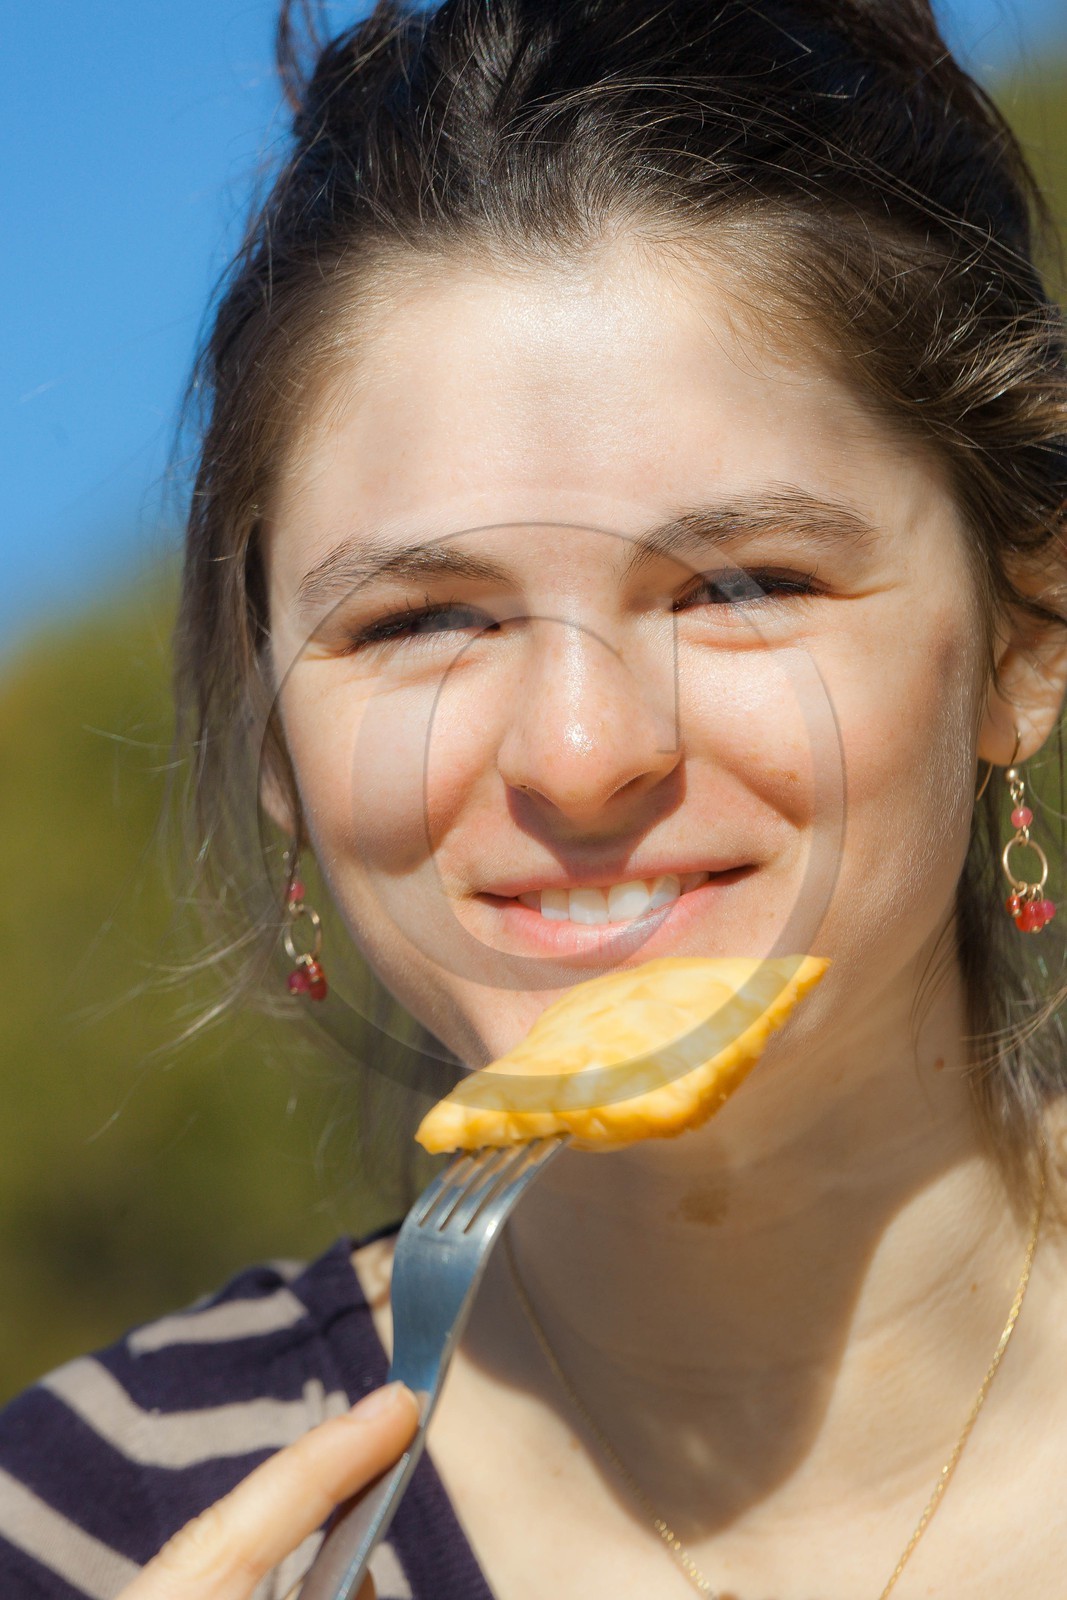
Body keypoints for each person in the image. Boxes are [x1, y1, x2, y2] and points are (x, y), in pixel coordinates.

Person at [3, 0, 1067, 1595]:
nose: (579, 755)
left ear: (1024, 644)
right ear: (281, 735)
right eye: (422, 620)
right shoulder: (77, 1525)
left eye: (743, 583)